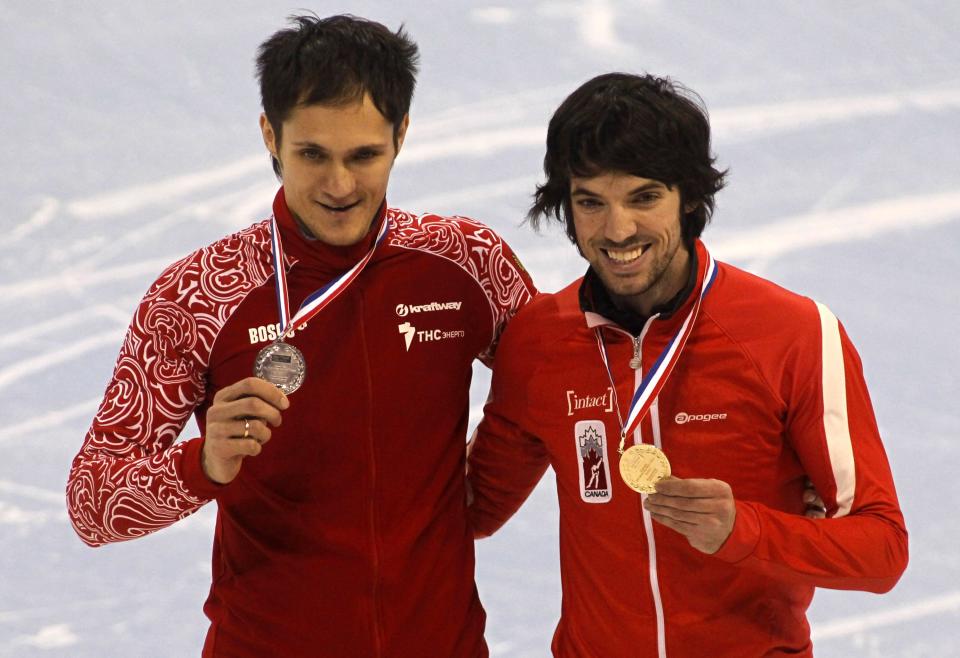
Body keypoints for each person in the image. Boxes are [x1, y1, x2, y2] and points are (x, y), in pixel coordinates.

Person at [66, 14, 534, 658]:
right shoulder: (199, 295)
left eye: (363, 155)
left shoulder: (465, 263)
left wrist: (476, 503)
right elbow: (94, 501)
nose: (339, 186)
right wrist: (203, 464)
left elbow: (560, 378)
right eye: (312, 154)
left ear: (401, 135)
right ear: (270, 136)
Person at [466, 72, 908, 657]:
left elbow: (880, 551)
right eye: (590, 202)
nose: (617, 230)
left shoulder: (793, 335)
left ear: (691, 197)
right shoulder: (539, 342)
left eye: (644, 197)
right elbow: (469, 507)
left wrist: (744, 531)